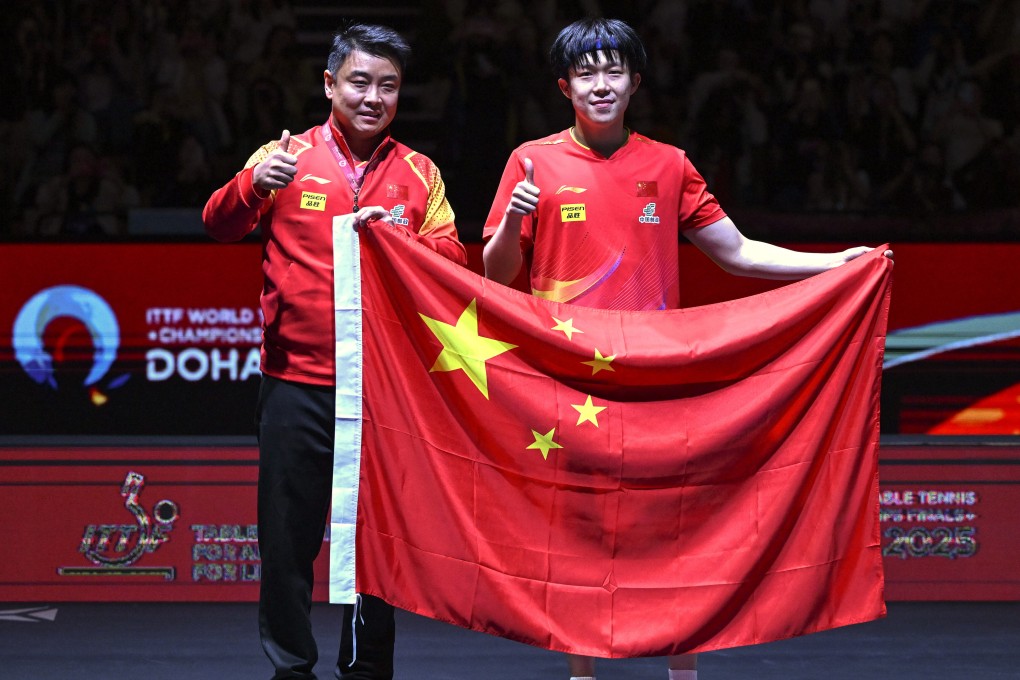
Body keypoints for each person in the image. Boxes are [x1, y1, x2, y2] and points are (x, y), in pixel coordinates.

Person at [481, 18, 891, 680]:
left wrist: (833, 265)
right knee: (577, 531)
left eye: (614, 71)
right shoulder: (531, 161)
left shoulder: (668, 164)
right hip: (568, 378)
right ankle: (581, 672)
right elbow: (495, 279)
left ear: (636, 82)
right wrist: (506, 225)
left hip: (654, 374)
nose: (601, 84)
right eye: (585, 73)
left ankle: (684, 669)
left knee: (670, 526)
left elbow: (736, 252)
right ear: (564, 87)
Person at [202, 22, 466, 680]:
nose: (373, 97)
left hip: (382, 387)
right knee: (287, 539)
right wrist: (256, 183)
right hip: (296, 382)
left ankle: (367, 667)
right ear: (329, 83)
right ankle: (291, 666)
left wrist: (403, 244)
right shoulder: (284, 154)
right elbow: (218, 226)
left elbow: (456, 262)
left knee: (373, 544)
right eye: (359, 82)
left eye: (389, 86)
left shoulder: (418, 173)